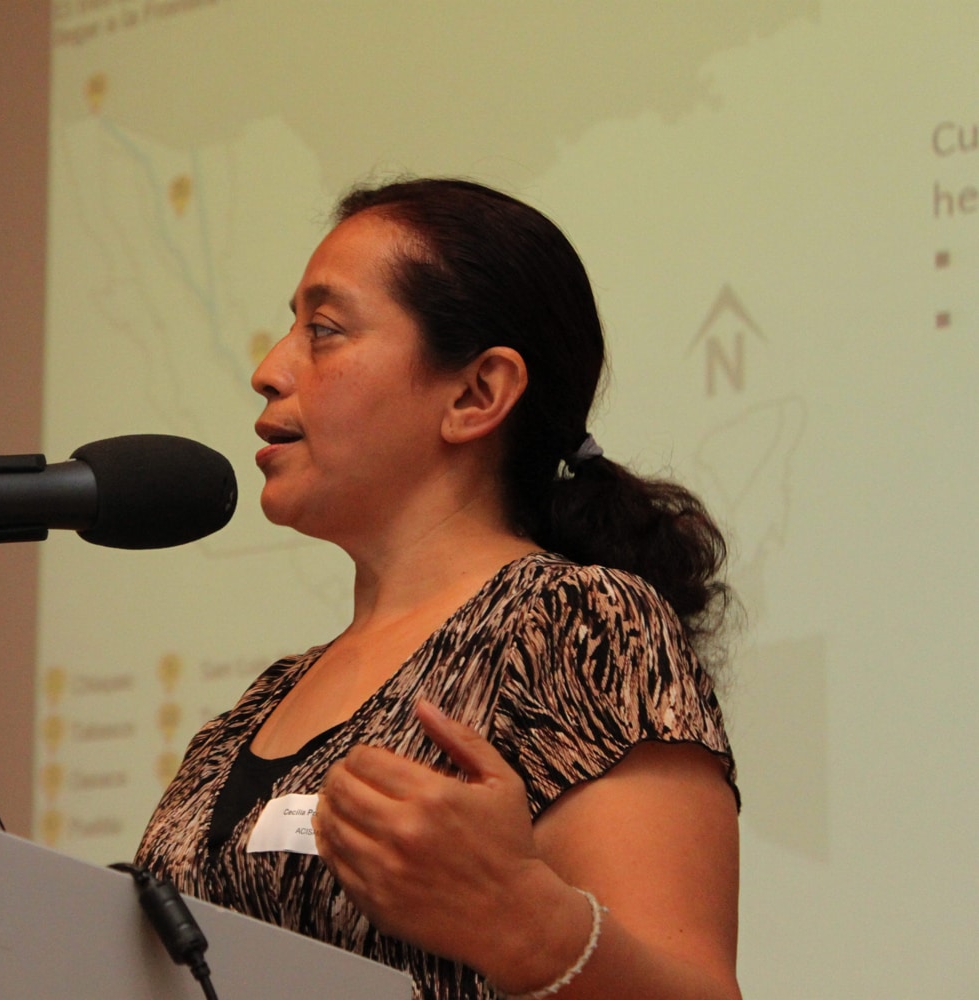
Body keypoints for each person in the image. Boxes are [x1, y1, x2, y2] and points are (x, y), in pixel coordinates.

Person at [134, 178, 741, 1000]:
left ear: (475, 393)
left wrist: (524, 919)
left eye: (324, 330)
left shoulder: (578, 625)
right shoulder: (255, 706)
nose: (269, 370)